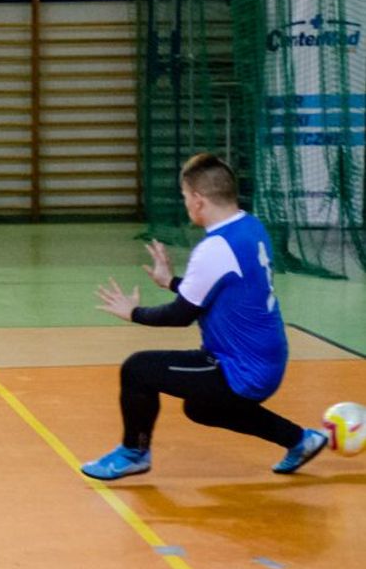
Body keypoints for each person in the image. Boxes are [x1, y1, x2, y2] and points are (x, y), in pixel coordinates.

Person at [83, 152, 328, 480]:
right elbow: (223, 289)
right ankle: (301, 440)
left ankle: (133, 452)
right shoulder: (250, 226)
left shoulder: (215, 248)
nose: (185, 203)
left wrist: (134, 313)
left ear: (198, 200)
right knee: (201, 407)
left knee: (138, 369)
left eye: (185, 196)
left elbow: (181, 314)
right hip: (267, 357)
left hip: (239, 366)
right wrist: (171, 281)